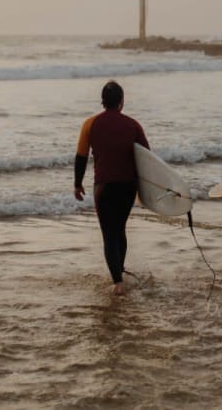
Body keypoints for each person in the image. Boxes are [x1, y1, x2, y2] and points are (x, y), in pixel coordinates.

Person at [74, 80, 150, 296]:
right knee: (120, 229)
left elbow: (81, 156)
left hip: (104, 187)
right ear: (121, 102)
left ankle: (118, 282)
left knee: (109, 234)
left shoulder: (90, 124)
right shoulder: (133, 125)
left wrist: (77, 183)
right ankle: (120, 269)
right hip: (128, 187)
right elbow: (147, 157)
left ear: (102, 101)